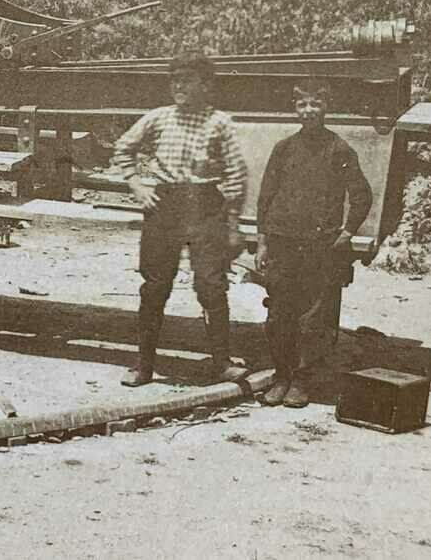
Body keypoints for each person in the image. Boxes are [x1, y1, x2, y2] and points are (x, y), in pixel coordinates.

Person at [112, 51, 247, 386]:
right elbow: (122, 148)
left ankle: (222, 362)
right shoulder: (158, 118)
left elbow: (236, 175)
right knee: (155, 286)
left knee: (211, 286)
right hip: (165, 206)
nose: (179, 86)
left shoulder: (220, 123)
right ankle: (144, 366)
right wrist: (137, 186)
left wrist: (232, 225)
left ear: (205, 84)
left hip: (206, 207)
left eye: (187, 79)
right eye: (174, 80)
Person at [255, 79, 372, 408]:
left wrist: (348, 231)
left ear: (325, 109)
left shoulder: (340, 149)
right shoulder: (284, 148)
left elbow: (361, 194)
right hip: (282, 244)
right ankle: (281, 376)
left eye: (315, 105)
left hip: (320, 247)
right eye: (302, 105)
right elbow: (265, 199)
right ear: (294, 109)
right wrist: (263, 242)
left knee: (313, 318)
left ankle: (302, 381)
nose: (308, 111)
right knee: (279, 315)